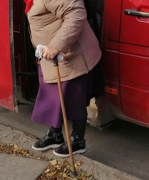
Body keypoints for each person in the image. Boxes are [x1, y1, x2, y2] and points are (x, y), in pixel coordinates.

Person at [24, 0, 101, 157]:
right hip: (51, 58)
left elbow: (76, 14)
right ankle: (55, 135)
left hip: (72, 57)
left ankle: (77, 141)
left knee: (74, 100)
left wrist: (56, 45)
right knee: (54, 99)